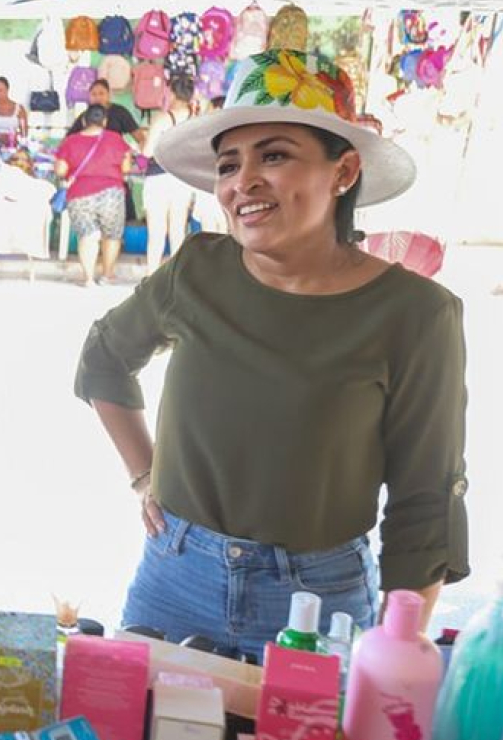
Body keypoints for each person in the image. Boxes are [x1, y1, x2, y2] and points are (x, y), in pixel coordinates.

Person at [75, 49, 468, 662]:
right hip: (174, 582)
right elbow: (103, 359)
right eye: (229, 164)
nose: (242, 183)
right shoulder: (197, 271)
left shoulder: (417, 315)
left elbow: (426, 500)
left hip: (320, 603)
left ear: (343, 173)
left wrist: (399, 653)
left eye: (275, 156)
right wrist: (145, 473)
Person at [54, 105, 133, 285]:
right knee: (112, 235)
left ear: (83, 121)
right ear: (105, 121)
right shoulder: (116, 140)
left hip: (80, 194)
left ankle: (88, 278)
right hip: (111, 194)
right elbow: (126, 167)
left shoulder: (71, 141)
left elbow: (60, 170)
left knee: (87, 235)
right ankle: (107, 275)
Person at [141, 76, 198, 275]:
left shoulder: (164, 118)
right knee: (178, 230)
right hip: (183, 179)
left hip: (159, 177)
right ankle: (176, 277)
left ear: (171, 92)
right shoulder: (196, 118)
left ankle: (151, 275)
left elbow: (147, 152)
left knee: (157, 231)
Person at [69, 78, 147, 150]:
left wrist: (142, 158)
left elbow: (140, 138)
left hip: (115, 156)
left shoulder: (120, 112)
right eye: (94, 94)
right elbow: (67, 140)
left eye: (101, 93)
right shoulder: (84, 116)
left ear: (109, 95)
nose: (98, 97)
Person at [189, 96, 229, 234]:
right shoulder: (232, 136)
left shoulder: (207, 135)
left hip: (211, 192)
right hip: (220, 191)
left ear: (218, 109)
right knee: (225, 233)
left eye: (209, 109)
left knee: (211, 234)